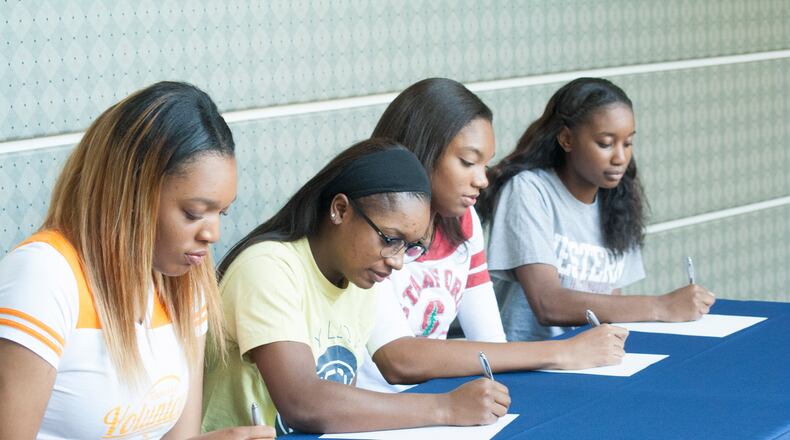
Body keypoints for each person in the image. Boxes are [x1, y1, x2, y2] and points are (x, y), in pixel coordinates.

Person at [0, 82, 275, 439]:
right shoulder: (44, 276)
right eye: (194, 213)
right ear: (128, 193)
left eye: (221, 212)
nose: (213, 233)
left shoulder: (185, 283)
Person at [201, 139, 510, 436]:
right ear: (340, 209)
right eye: (390, 240)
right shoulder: (268, 267)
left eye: (409, 246)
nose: (398, 262)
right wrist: (445, 408)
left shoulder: (360, 278)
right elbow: (301, 402)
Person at [356, 78, 628, 394]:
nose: (482, 180)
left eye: (485, 164)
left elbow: (490, 342)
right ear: (420, 153)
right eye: (468, 162)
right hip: (374, 409)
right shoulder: (368, 229)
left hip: (435, 399)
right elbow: (399, 360)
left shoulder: (464, 220)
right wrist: (562, 352)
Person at [477, 77, 716, 342]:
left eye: (627, 143)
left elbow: (609, 304)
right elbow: (548, 304)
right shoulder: (529, 190)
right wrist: (662, 306)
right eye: (605, 143)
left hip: (591, 358)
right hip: (528, 362)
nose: (620, 158)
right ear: (567, 139)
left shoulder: (619, 201)